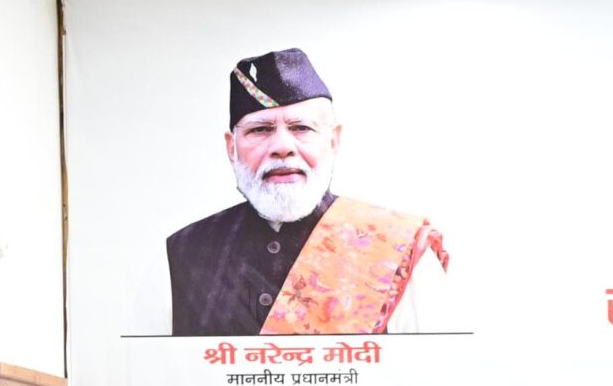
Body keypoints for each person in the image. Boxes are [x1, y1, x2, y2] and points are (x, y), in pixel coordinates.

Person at [160, 47, 450, 336]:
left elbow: (436, 363)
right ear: (231, 148)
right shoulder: (180, 254)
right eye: (260, 130)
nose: (282, 147)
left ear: (333, 141)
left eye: (301, 128)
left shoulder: (398, 246)